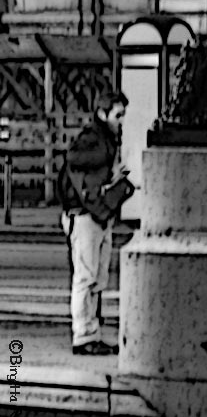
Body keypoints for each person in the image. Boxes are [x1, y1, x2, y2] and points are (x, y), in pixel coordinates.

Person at [58, 90, 132, 356]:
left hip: (91, 213)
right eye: (118, 115)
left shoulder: (97, 139)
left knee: (93, 278)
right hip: (88, 215)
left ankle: (90, 333)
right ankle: (84, 334)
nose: (121, 121)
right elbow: (79, 161)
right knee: (88, 278)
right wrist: (112, 174)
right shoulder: (95, 141)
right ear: (103, 114)